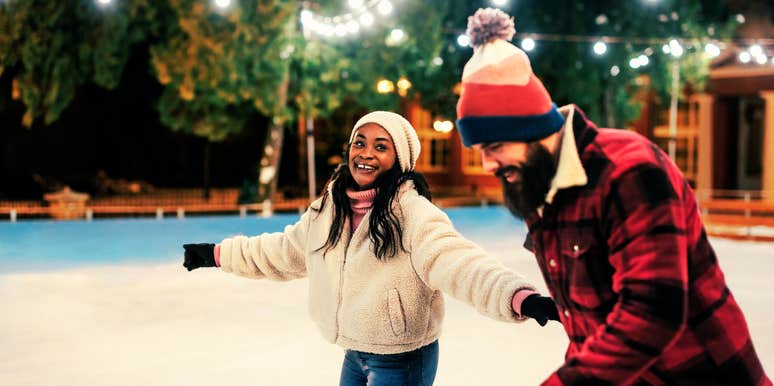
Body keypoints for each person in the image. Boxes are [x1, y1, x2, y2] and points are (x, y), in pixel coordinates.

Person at [455, 8, 772, 386]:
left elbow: (653, 310)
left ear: (532, 129)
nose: (489, 164)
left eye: (494, 146)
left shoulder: (630, 170)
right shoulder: (538, 186)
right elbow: (587, 322)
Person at [182, 111, 558, 386]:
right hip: (355, 350)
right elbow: (285, 251)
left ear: (401, 160)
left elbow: (459, 263)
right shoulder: (331, 206)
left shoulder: (412, 213)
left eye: (381, 146)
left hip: (402, 359)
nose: (366, 153)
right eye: (360, 142)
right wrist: (216, 254)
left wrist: (518, 297)